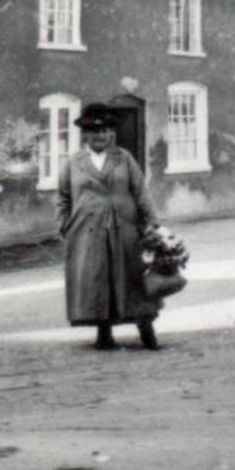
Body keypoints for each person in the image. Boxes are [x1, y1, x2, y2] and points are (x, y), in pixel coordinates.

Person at [57, 103, 161, 350]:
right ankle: (103, 333)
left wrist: (151, 224)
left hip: (125, 229)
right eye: (94, 131)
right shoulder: (74, 163)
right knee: (97, 280)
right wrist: (64, 226)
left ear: (110, 133)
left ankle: (146, 330)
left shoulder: (123, 158)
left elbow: (141, 192)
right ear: (85, 134)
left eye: (104, 131)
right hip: (87, 232)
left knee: (133, 278)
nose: (100, 136)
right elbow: (62, 197)